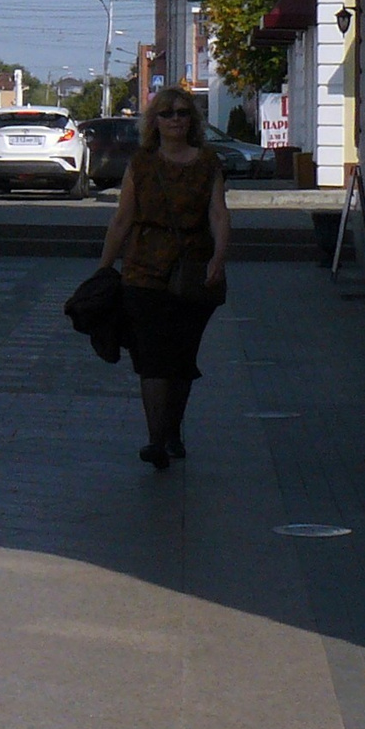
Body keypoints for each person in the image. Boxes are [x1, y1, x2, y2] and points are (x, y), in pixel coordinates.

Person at [96, 86, 229, 467]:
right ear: (154, 121)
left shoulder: (207, 162)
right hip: (143, 269)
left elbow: (218, 213)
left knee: (182, 356)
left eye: (182, 113)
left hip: (193, 270)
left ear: (193, 120)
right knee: (152, 356)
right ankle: (156, 440)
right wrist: (105, 267)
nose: (175, 120)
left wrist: (219, 257)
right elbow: (122, 217)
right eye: (167, 114)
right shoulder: (141, 162)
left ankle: (172, 431)